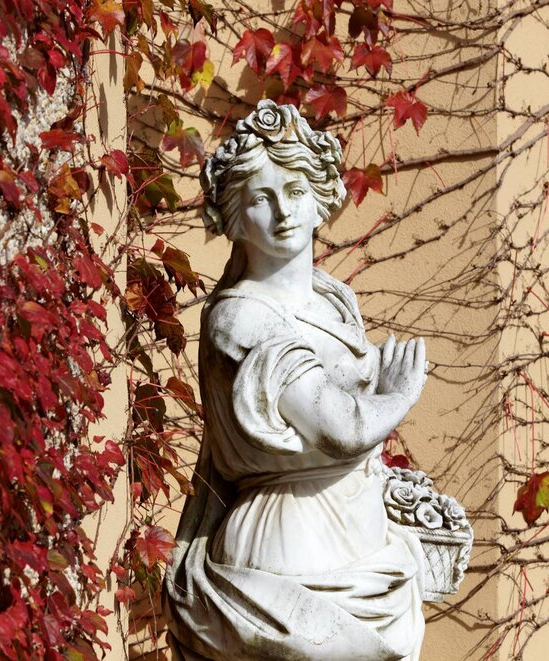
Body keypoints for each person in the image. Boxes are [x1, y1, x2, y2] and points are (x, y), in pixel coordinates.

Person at [164, 100, 428, 660]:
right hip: (289, 541)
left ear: (319, 198)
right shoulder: (240, 319)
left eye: (296, 191)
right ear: (235, 214)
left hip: (364, 539)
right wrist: (398, 393)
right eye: (262, 197)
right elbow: (339, 428)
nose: (284, 211)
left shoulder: (335, 300)